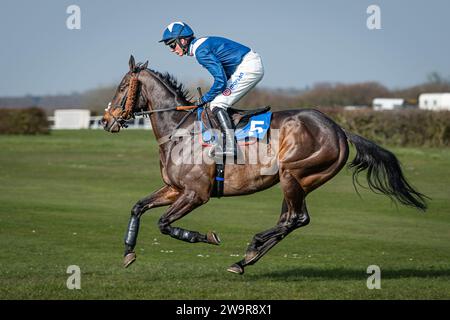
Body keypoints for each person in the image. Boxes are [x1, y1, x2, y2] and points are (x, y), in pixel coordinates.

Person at [159, 21, 264, 156]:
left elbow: (221, 81)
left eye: (172, 45)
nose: (172, 49)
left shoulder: (200, 51)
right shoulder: (200, 45)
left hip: (248, 67)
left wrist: (204, 99)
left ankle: (231, 146)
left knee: (217, 103)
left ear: (183, 41)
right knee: (218, 101)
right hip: (246, 65)